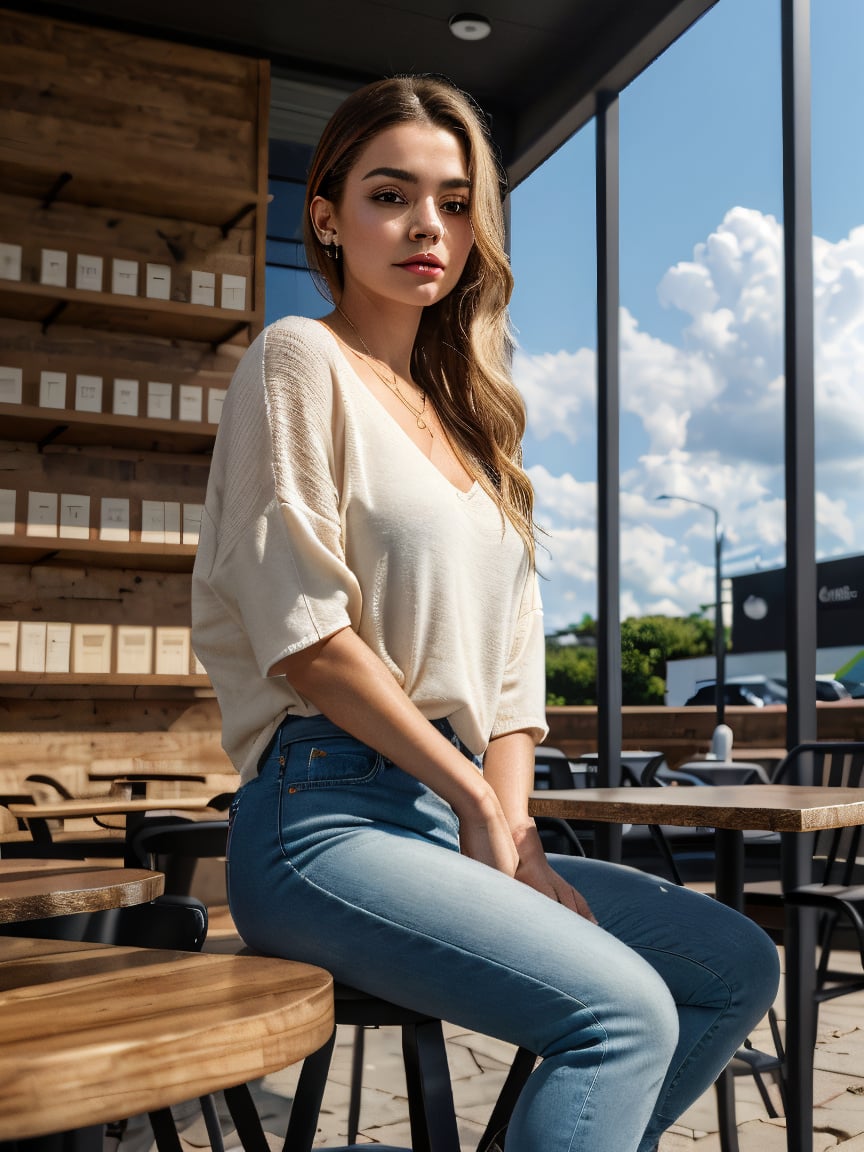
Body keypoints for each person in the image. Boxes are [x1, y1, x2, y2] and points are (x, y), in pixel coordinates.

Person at [192, 74, 779, 1152]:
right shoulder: (297, 360)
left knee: (733, 964)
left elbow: (513, 689)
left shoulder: (481, 435)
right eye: (391, 194)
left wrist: (509, 839)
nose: (429, 226)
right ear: (325, 216)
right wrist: (471, 799)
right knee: (623, 1012)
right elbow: (313, 643)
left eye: (456, 202)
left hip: (444, 814)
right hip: (318, 819)